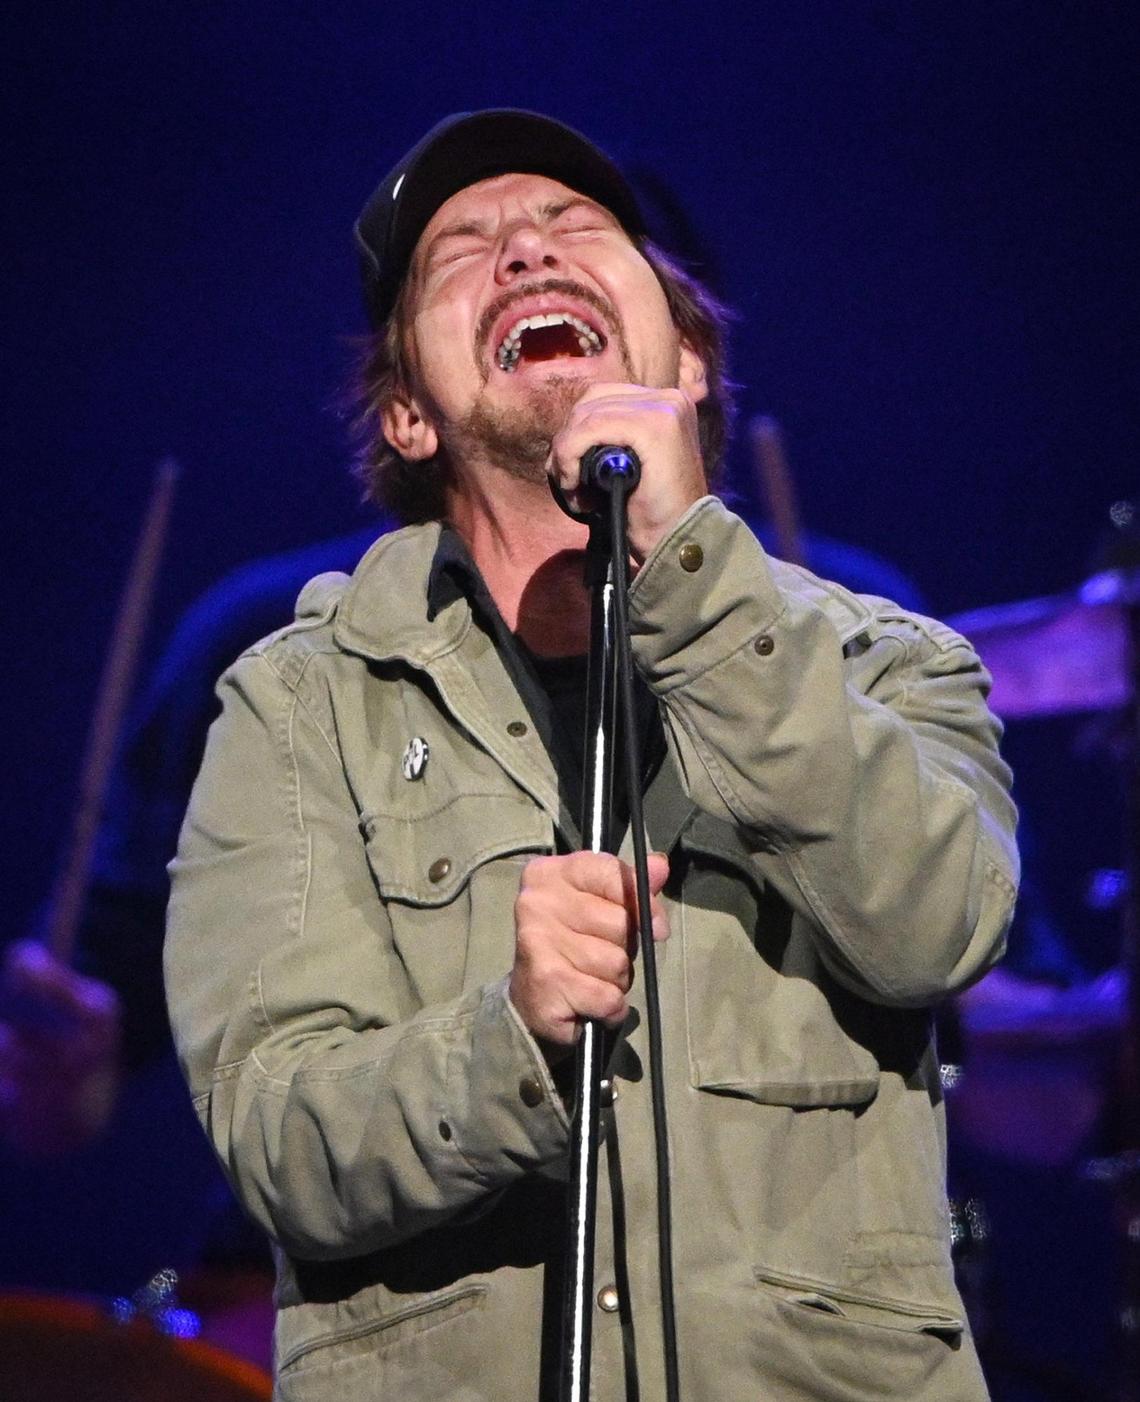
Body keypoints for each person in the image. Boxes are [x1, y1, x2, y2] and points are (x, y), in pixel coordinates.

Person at [184, 108, 1018, 1400]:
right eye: (464, 248)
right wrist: (505, 1036)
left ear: (687, 358)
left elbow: (941, 919)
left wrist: (690, 562)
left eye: (574, 226)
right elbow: (282, 1130)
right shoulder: (301, 704)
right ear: (407, 412)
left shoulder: (883, 661)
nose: (525, 250)